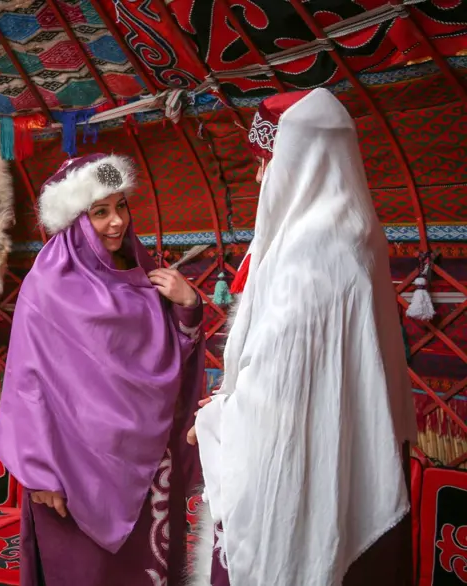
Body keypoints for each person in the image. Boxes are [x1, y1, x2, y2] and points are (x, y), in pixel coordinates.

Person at [187, 88, 416, 586]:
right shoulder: (359, 236)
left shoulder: (309, 258)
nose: (257, 175)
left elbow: (279, 391)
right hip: (359, 464)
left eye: (264, 161)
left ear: (300, 160)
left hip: (297, 476)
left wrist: (217, 418)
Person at [0, 153, 207, 586]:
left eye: (121, 206)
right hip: (70, 472)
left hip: (145, 464)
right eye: (100, 212)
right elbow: (27, 385)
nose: (117, 223)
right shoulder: (48, 285)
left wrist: (189, 308)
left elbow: (170, 366)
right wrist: (38, 472)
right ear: (75, 220)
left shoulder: (144, 273)